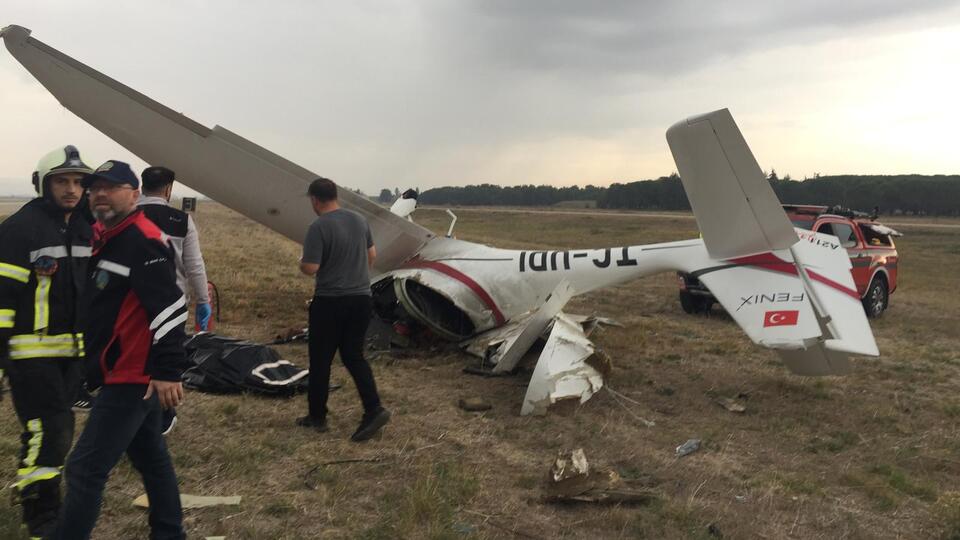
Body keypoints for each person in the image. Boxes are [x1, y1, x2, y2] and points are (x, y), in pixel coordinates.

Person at [54, 160, 188, 539]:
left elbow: (170, 306)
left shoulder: (142, 240)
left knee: (84, 468)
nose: (100, 194)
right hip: (122, 369)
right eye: (95, 188)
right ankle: (169, 532)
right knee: (151, 458)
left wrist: (167, 371)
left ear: (134, 195)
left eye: (111, 188)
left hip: (132, 374)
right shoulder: (108, 235)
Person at [0, 145, 93, 538]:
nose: (72, 189)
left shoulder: (86, 229)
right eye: (62, 181)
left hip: (73, 354)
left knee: (52, 429)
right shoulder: (20, 229)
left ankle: (39, 498)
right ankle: (41, 516)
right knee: (51, 430)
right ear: (43, 184)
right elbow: (2, 299)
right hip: (29, 355)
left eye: (79, 182)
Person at [298, 177, 390, 442]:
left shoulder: (318, 227)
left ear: (315, 200)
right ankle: (373, 409)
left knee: (320, 359)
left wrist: (301, 262)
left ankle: (317, 417)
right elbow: (372, 255)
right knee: (353, 356)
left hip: (330, 302)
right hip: (361, 299)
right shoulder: (359, 220)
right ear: (335, 196)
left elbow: (311, 268)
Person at [138, 165, 212, 435]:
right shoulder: (181, 220)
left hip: (134, 302)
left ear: (142, 186)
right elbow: (194, 265)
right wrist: (203, 300)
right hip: (172, 303)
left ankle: (138, 407)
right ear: (168, 189)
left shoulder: (128, 216)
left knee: (138, 356)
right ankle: (163, 415)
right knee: (166, 357)